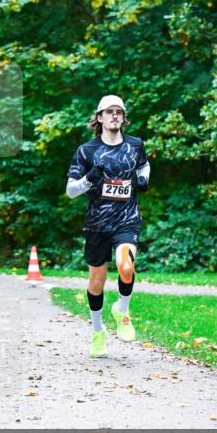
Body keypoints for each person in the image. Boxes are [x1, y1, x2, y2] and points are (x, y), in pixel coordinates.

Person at [65, 95, 150, 358]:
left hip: (127, 218)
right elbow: (70, 191)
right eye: (109, 112)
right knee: (96, 282)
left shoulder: (135, 145)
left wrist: (143, 179)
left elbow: (145, 166)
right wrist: (89, 180)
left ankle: (123, 310)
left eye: (119, 112)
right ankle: (98, 331)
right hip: (97, 224)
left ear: (123, 118)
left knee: (126, 265)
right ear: (99, 117)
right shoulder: (86, 151)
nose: (115, 115)